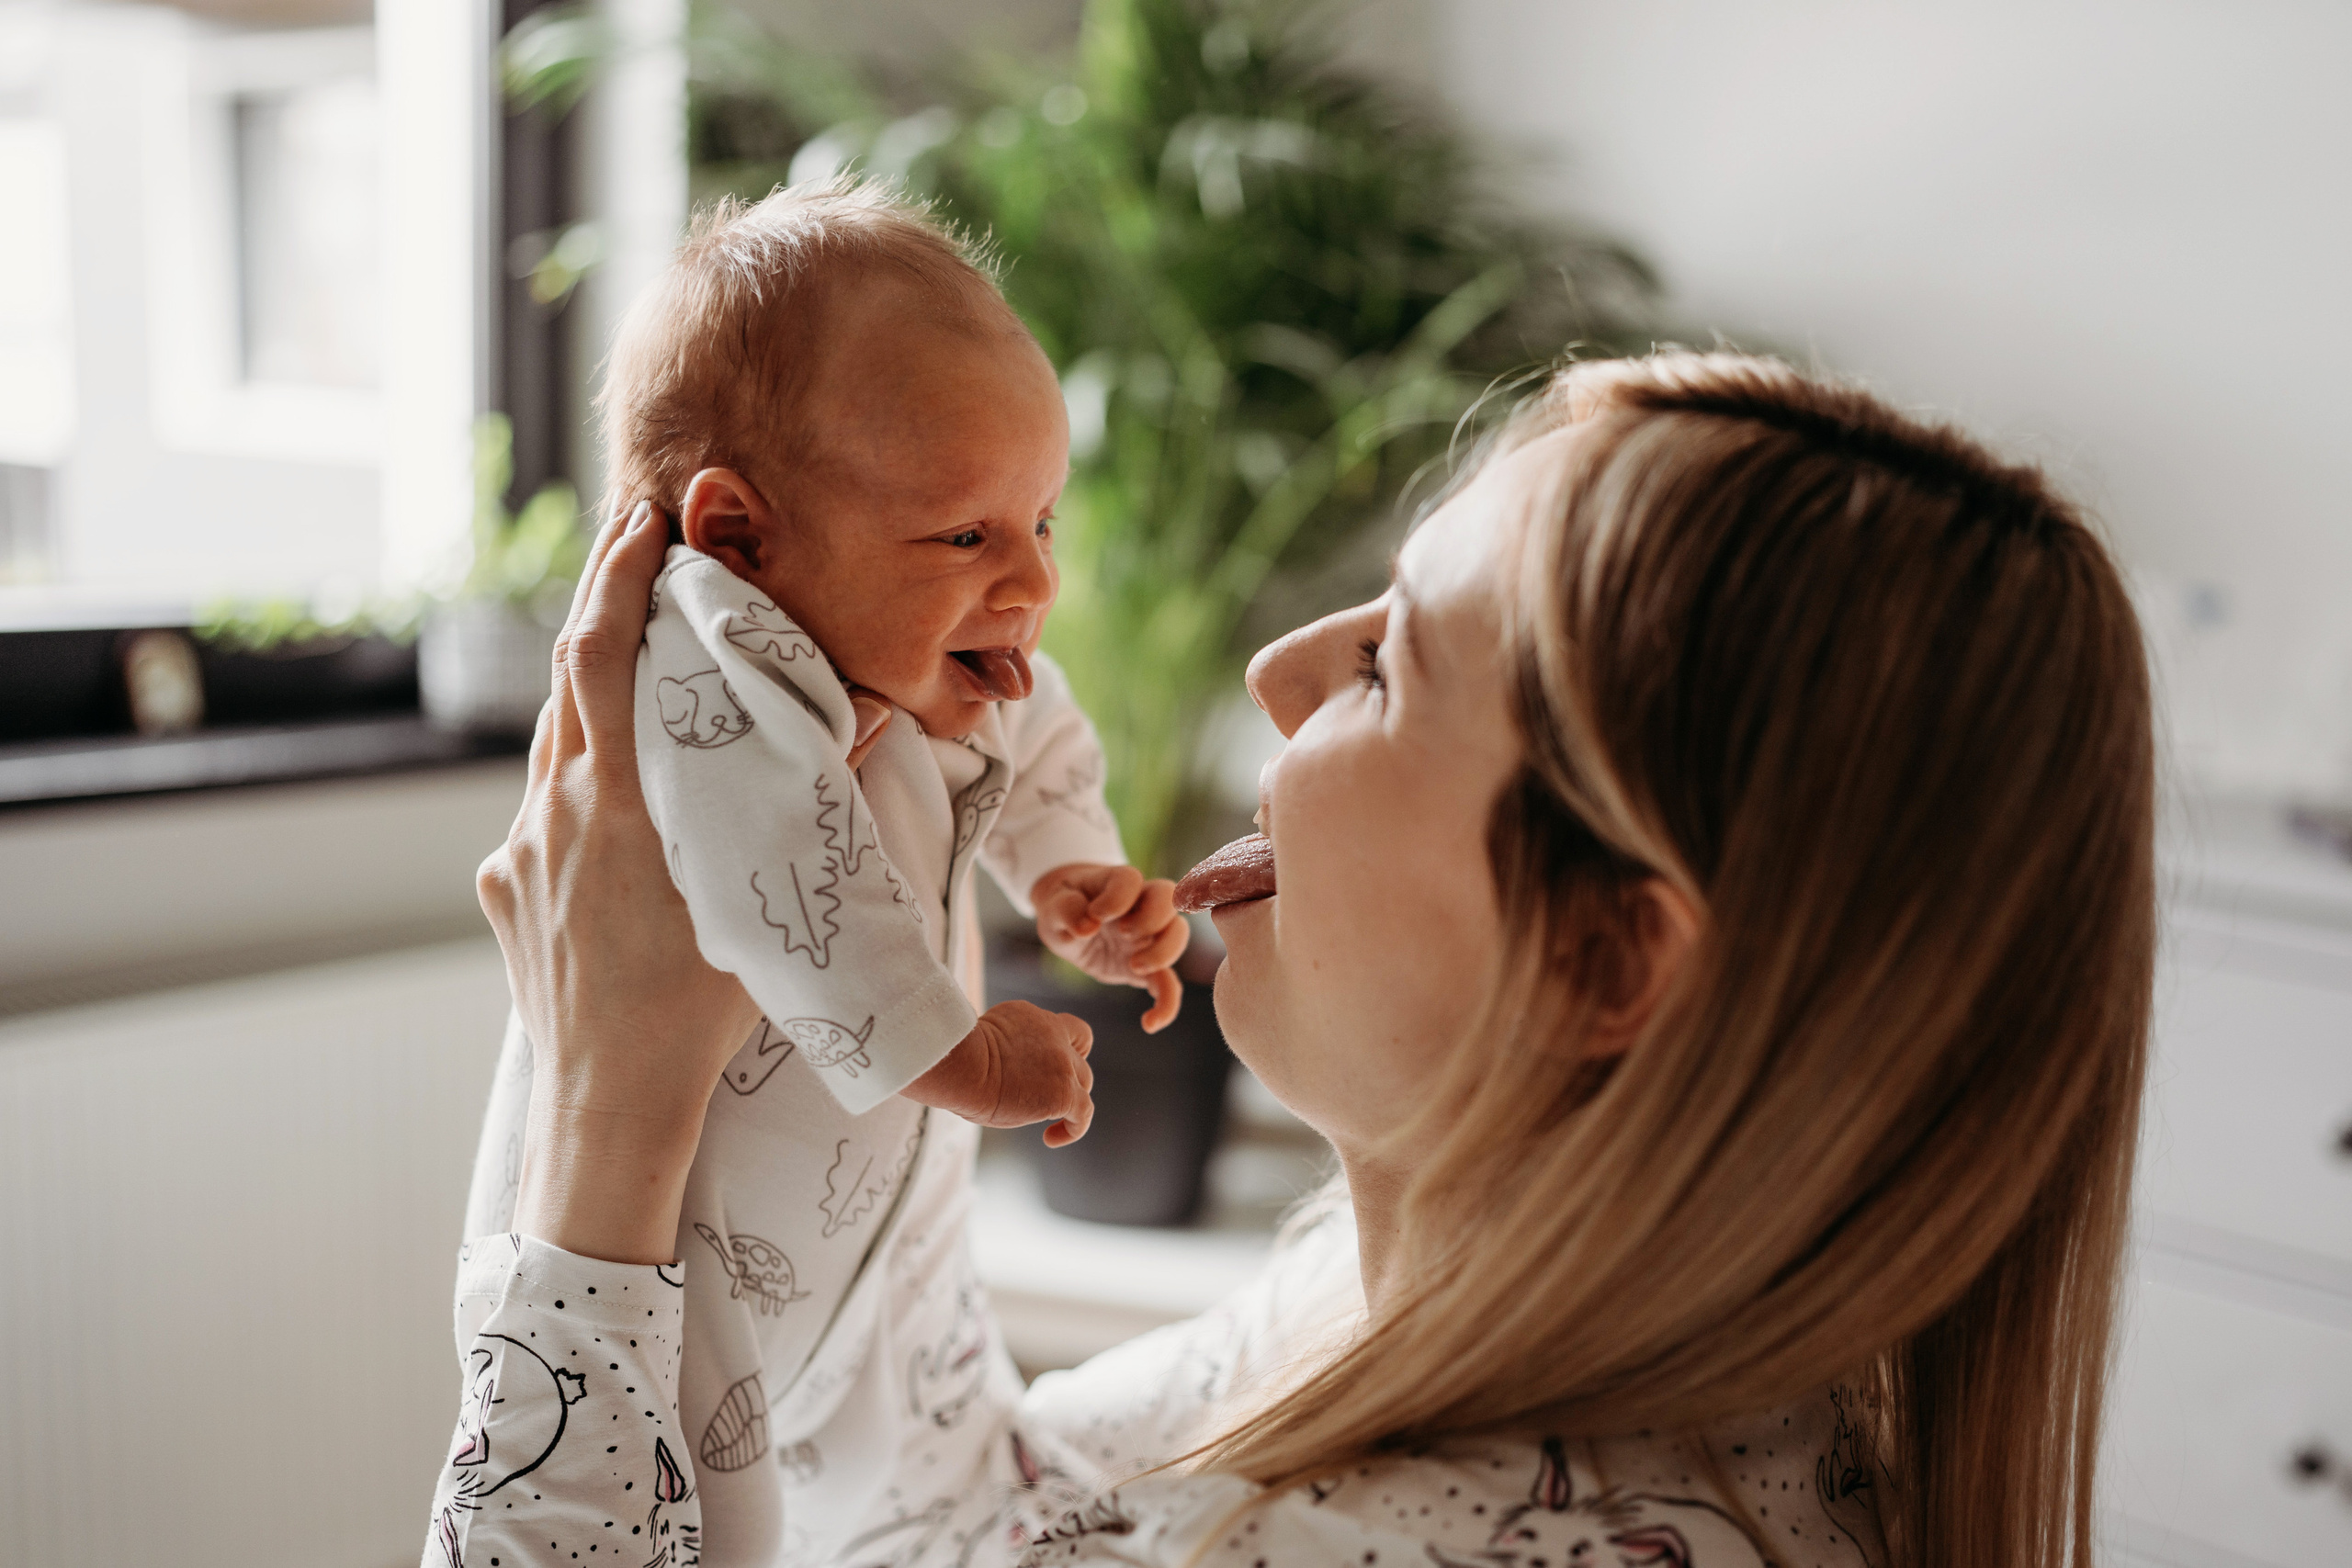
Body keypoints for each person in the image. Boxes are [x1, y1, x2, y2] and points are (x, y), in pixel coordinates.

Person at [434, 352, 2154, 1568]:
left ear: (1609, 960)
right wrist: (871, 895)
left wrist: (598, 1128)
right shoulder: (1438, 1333)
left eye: (1395, 662)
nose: (1276, 669)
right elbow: (949, 1513)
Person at [450, 181, 1193, 1557]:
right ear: (739, 537)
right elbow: (783, 876)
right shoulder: (710, 656)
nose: (1029, 579)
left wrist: (1069, 873)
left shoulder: (911, 645)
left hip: (872, 1239)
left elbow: (1046, 737)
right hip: (681, 1250)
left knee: (918, 1470)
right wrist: (966, 1063)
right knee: (721, 1514)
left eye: (1043, 521)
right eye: (966, 533)